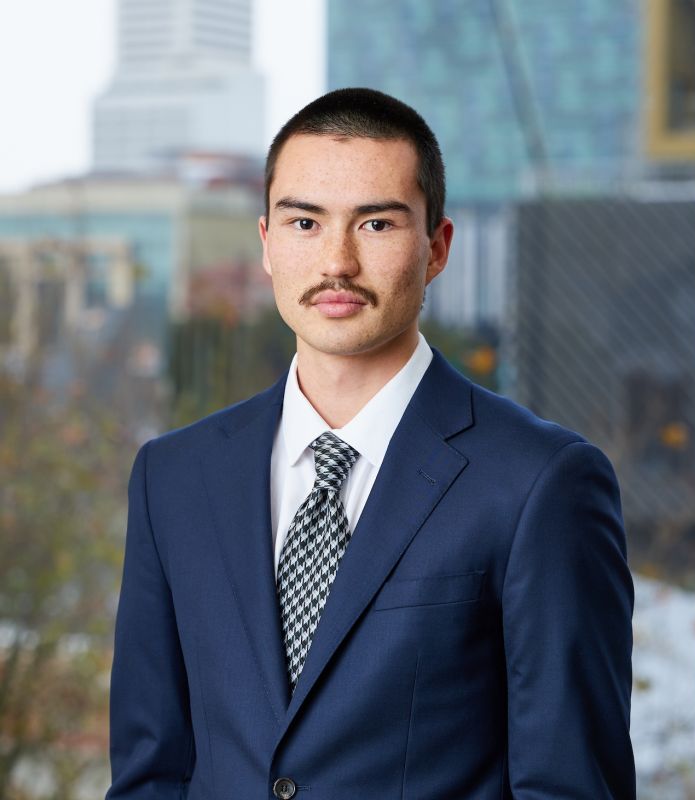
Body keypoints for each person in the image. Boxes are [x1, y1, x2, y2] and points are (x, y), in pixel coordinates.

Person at [106, 88, 635, 799]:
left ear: (436, 247)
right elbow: (150, 774)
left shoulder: (540, 483)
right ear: (266, 242)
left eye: (377, 223)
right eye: (304, 222)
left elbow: (570, 786)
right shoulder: (173, 477)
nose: (337, 262)